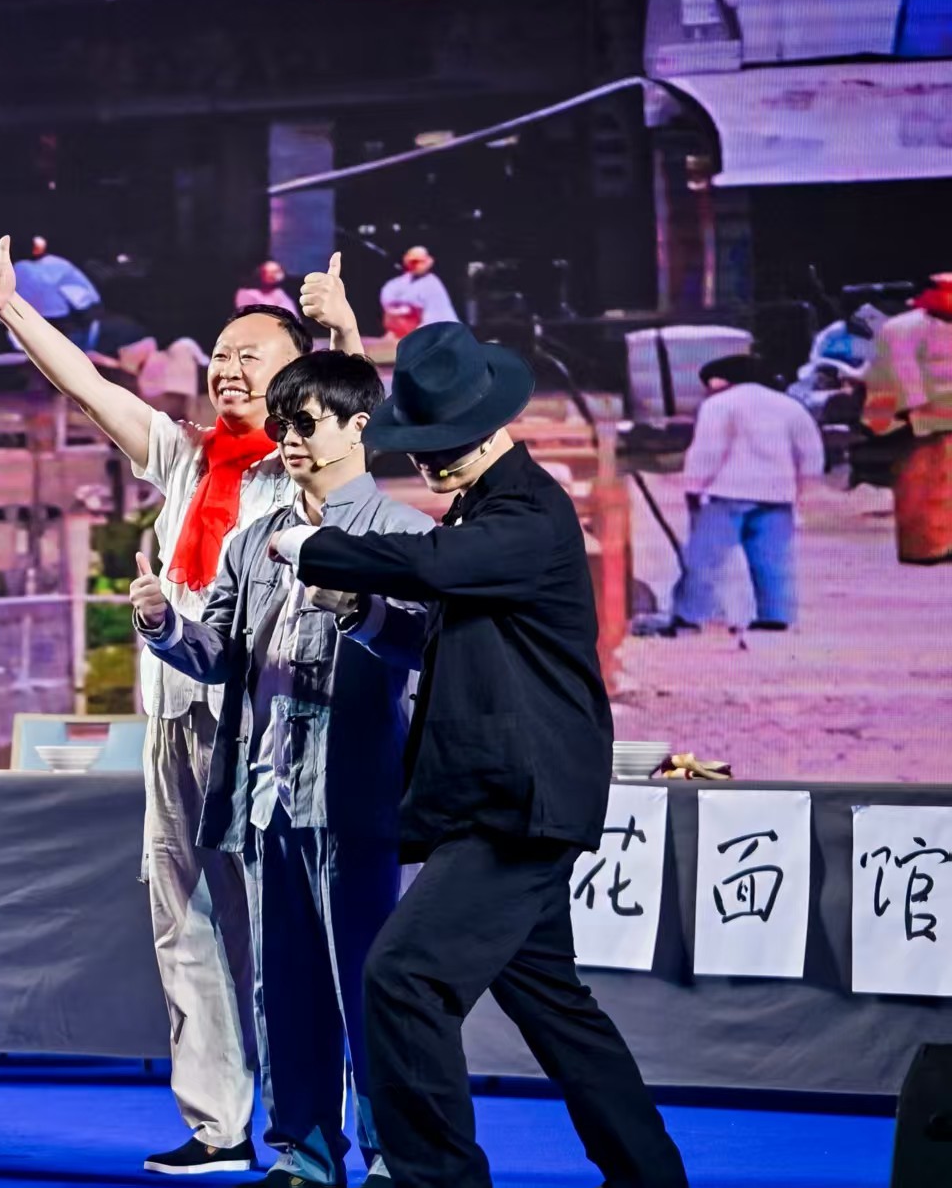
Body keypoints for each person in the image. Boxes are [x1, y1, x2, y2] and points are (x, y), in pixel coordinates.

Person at [0, 235, 362, 1177]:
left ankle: (304, 1128)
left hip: (268, 725)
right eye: (220, 355)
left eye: (250, 357)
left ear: (297, 375)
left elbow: (357, 408)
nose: (228, 370)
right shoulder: (188, 458)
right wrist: (12, 309)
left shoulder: (306, 466)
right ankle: (216, 1123)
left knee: (278, 928)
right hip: (176, 712)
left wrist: (344, 328)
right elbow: (88, 389)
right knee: (183, 917)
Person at [267, 321, 688, 1188]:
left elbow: (436, 564)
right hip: (493, 795)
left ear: (494, 428)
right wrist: (361, 610)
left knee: (401, 976)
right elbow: (441, 632)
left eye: (445, 446)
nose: (430, 462)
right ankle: (650, 1175)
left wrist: (313, 546)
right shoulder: (481, 507)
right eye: (420, 447)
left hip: (520, 802)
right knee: (557, 1007)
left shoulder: (527, 511)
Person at [131, 351, 430, 1186]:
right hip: (266, 796)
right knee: (283, 986)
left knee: (371, 984)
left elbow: (427, 647)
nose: (289, 438)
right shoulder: (252, 540)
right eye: (282, 423)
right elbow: (221, 656)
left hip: (359, 797)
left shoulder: (405, 535)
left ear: (358, 426)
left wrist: (360, 609)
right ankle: (303, 1149)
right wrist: (164, 628)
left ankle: (394, 1153)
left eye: (306, 422)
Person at [670, 354, 825, 633]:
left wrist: (694, 487)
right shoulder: (790, 406)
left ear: (720, 380)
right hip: (777, 494)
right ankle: (775, 616)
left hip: (727, 492)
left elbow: (708, 451)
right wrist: (802, 490)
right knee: (773, 560)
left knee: (706, 559)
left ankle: (692, 615)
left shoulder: (719, 405)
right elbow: (811, 453)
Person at [864, 274, 952, 565]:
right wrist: (919, 412)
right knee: (923, 484)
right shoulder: (903, 328)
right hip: (918, 420)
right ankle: (927, 547)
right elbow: (902, 374)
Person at [13, 234, 104, 349]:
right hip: (45, 321)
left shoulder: (56, 264)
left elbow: (84, 298)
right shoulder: (20, 268)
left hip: (67, 320)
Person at [378, 246, 457, 338]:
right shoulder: (395, 284)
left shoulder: (433, 284)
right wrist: (402, 310)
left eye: (420, 262)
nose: (417, 265)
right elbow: (387, 303)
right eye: (413, 262)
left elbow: (436, 318)